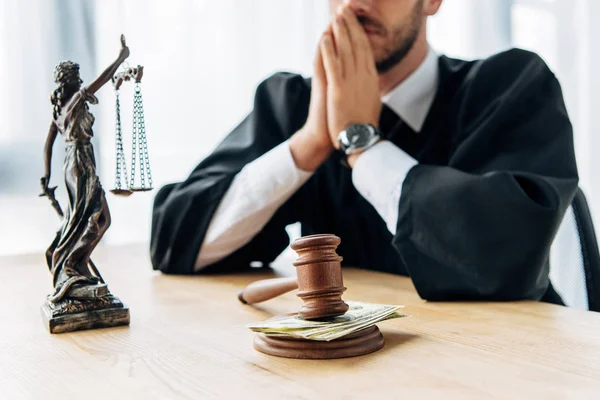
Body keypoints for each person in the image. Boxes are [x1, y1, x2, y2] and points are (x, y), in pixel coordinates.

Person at [150, 0, 578, 304]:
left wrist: (361, 143)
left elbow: (503, 261)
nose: (355, 2)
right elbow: (175, 241)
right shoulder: (296, 104)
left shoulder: (510, 86)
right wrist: (312, 141)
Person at [41, 37, 130, 302]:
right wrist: (121, 57)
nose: (81, 81)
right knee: (95, 219)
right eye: (77, 77)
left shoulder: (60, 111)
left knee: (92, 219)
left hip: (75, 162)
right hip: (80, 162)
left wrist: (45, 178)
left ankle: (76, 263)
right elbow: (101, 80)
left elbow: (48, 145)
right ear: (70, 81)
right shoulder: (76, 101)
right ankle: (72, 266)